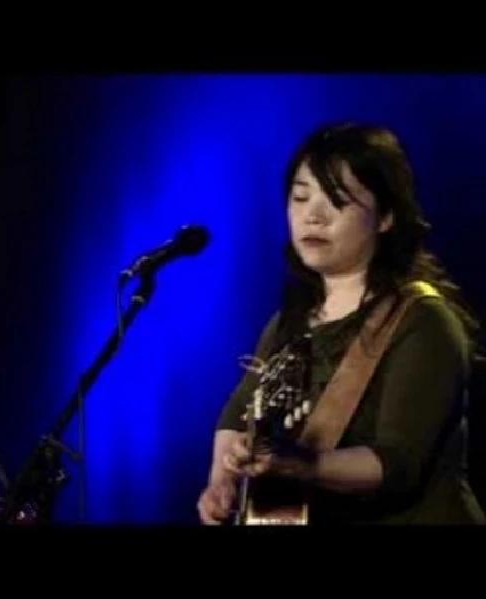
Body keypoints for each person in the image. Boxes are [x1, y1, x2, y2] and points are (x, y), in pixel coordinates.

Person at [197, 122, 486, 525]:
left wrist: (299, 464)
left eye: (336, 200)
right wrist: (222, 482)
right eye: (300, 198)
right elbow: (238, 415)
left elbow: (396, 464)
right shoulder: (289, 323)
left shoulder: (423, 321)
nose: (312, 216)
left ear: (385, 216)